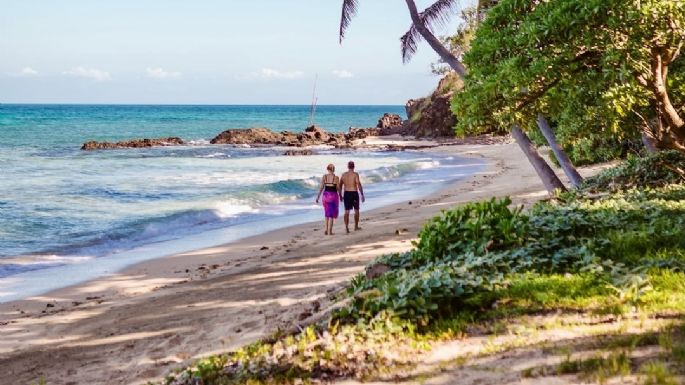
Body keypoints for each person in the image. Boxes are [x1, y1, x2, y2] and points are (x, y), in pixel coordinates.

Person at [339, 160, 365, 233]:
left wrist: (340, 195)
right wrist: (362, 194)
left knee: (346, 211)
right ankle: (356, 226)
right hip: (354, 193)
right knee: (356, 210)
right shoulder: (355, 174)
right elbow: (358, 184)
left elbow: (340, 185)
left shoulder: (343, 175)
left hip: (346, 193)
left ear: (348, 166)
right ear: (354, 166)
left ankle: (347, 227)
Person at [315, 163, 340, 235]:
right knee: (331, 214)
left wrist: (318, 197)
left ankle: (326, 230)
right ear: (334, 169)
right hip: (333, 197)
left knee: (326, 213)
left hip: (325, 197)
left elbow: (321, 188)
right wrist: (341, 196)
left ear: (327, 169)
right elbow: (338, 188)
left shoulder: (324, 177)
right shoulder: (336, 178)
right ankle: (330, 231)